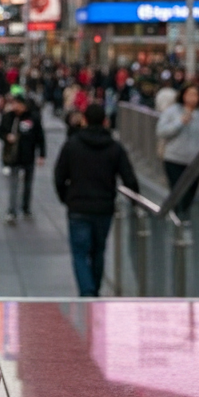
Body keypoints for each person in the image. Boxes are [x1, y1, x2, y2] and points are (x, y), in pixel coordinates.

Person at [54, 103, 139, 296]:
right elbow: (129, 178)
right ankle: (95, 290)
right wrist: (134, 200)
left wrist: (66, 198)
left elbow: (59, 175)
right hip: (104, 206)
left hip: (78, 206)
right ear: (106, 121)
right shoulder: (115, 147)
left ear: (84, 120)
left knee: (80, 252)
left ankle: (87, 291)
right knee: (98, 251)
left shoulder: (72, 145)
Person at [156, 83, 199, 217]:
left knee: (191, 193)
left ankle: (184, 219)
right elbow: (161, 131)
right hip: (174, 159)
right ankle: (178, 219)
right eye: (189, 94)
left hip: (195, 161)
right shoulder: (172, 111)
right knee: (178, 192)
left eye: (195, 94)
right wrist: (179, 123)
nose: (192, 98)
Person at [0, 91, 46, 224]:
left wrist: (42, 154)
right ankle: (12, 210)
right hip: (14, 157)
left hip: (28, 155)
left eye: (17, 103)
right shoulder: (8, 117)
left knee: (28, 184)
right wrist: (7, 136)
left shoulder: (33, 118)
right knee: (13, 184)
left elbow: (40, 137)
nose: (15, 106)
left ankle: (26, 207)